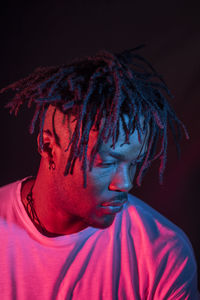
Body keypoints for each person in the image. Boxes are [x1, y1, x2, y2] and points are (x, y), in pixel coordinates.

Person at [0, 47, 199, 299]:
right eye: (106, 164)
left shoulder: (163, 252)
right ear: (49, 147)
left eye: (135, 163)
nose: (125, 184)